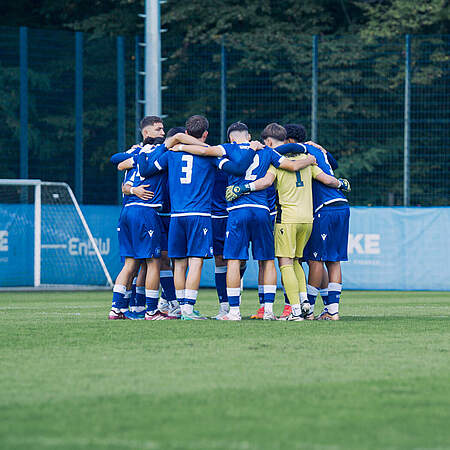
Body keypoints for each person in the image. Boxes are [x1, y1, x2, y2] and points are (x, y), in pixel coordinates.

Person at [226, 123, 350, 321]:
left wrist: (244, 188)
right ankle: (307, 304)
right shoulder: (310, 162)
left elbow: (266, 182)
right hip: (308, 219)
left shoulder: (276, 163)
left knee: (285, 264)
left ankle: (294, 310)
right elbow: (328, 179)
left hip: (288, 219)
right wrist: (342, 183)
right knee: (299, 263)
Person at [216, 122, 318, 321]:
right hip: (264, 210)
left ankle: (234, 311)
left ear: (231, 138)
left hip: (238, 209)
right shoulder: (268, 153)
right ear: (249, 135)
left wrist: (177, 144)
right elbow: (293, 165)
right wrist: (310, 156)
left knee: (234, 261)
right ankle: (268, 310)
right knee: (268, 260)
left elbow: (205, 151)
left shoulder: (228, 149)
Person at [277, 124, 351, 320]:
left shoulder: (301, 152)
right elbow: (333, 164)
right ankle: (331, 310)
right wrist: (319, 147)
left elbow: (276, 152)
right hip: (342, 205)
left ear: (290, 141)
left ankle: (306, 307)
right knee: (333, 260)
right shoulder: (316, 149)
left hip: (323, 207)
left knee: (315, 260)